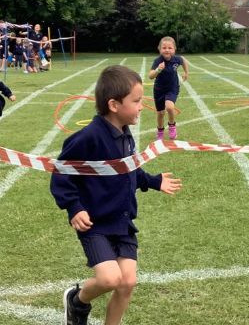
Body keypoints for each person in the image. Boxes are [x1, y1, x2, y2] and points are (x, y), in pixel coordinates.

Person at [50, 65, 182, 325]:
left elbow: (129, 170)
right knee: (110, 279)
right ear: (114, 105)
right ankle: (77, 301)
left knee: (127, 282)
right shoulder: (88, 137)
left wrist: (154, 181)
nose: (141, 107)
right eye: (136, 101)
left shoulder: (125, 134)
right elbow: (61, 174)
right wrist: (74, 207)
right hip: (95, 223)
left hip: (122, 221)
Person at [149, 36, 189, 140]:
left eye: (170, 48)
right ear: (159, 49)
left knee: (170, 107)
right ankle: (160, 130)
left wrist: (186, 72)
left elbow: (183, 60)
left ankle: (172, 126)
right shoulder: (158, 61)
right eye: (164, 48)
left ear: (174, 49)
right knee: (160, 113)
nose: (167, 50)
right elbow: (150, 76)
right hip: (159, 90)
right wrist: (158, 70)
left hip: (172, 88)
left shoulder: (177, 59)